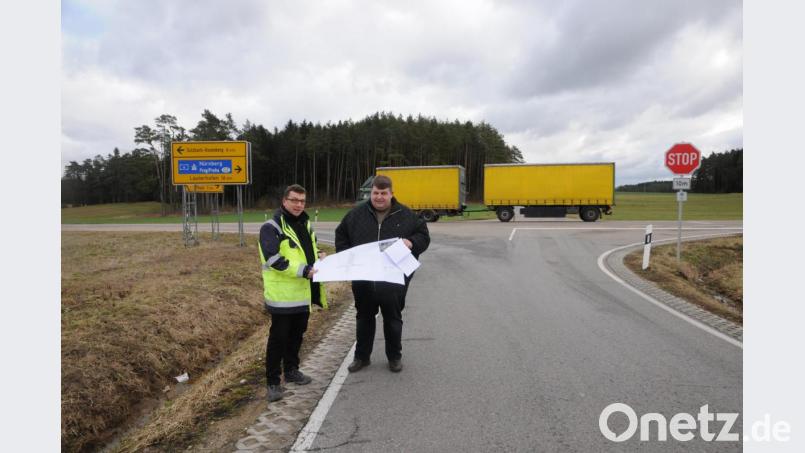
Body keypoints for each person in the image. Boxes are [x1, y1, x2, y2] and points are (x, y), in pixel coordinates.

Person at [335, 175, 430, 373]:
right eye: (375, 193)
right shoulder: (355, 215)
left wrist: (411, 242)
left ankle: (394, 357)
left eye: (383, 193)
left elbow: (424, 236)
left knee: (393, 319)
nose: (379, 197)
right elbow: (341, 236)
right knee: (364, 318)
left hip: (393, 281)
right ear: (371, 193)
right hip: (364, 280)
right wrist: (347, 260)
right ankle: (362, 357)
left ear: (391, 194)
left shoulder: (406, 215)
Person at [259, 184, 328, 403]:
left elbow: (309, 250)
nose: (298, 204)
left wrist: (319, 255)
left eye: (302, 201)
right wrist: (304, 270)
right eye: (294, 200)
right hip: (282, 297)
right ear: (284, 201)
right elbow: (273, 259)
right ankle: (272, 382)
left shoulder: (305, 224)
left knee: (297, 335)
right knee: (278, 339)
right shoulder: (271, 227)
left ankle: (291, 371)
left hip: (303, 293)